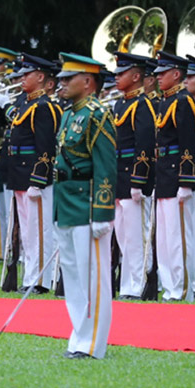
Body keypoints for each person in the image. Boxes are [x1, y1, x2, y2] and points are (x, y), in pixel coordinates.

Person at [53, 53, 116, 359]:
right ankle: (79, 336)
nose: (62, 84)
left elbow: (106, 166)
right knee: (74, 276)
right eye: (62, 78)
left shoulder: (98, 114)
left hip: (87, 201)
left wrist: (102, 212)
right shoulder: (69, 114)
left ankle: (93, 344)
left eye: (69, 78)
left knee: (94, 278)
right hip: (66, 199)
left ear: (88, 82)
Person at [6, 53, 60, 293]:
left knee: (39, 230)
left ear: (40, 77)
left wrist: (39, 179)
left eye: (27, 74)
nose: (22, 78)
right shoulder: (26, 103)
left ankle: (39, 280)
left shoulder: (44, 106)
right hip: (20, 170)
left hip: (34, 174)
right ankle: (30, 277)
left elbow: (45, 145)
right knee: (27, 231)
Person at [152, 51, 195, 302]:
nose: (158, 78)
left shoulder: (183, 101)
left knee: (179, 238)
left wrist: (186, 181)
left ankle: (181, 290)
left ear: (176, 74)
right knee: (166, 239)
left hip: (177, 175)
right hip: (163, 174)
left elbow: (189, 142)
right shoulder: (165, 102)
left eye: (163, 73)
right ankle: (169, 287)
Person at [112, 52, 156, 300]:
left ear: (136, 76)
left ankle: (137, 286)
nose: (117, 78)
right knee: (123, 235)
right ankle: (127, 284)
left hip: (132, 177)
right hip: (118, 176)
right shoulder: (120, 104)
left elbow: (144, 146)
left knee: (136, 236)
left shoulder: (143, 105)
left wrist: (139, 181)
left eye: (122, 73)